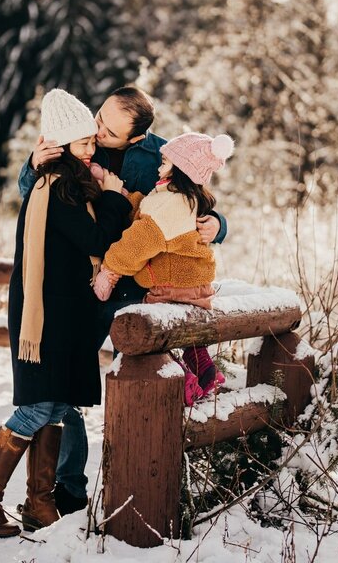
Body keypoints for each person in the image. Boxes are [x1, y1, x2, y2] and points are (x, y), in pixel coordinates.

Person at [16, 85, 230, 515]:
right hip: (83, 281)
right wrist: (31, 164)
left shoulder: (158, 158)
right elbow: (33, 192)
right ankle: (67, 489)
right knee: (69, 387)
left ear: (134, 138)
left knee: (140, 383)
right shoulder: (74, 140)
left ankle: (140, 489)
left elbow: (189, 202)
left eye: (108, 131)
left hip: (132, 287)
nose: (96, 131)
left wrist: (217, 224)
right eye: (97, 118)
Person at [0, 89, 131, 539]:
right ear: (61, 147)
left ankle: (40, 503)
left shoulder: (72, 185)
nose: (91, 148)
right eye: (82, 143)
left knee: (57, 405)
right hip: (44, 315)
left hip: (65, 312)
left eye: (91, 141)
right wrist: (117, 198)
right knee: (37, 406)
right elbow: (97, 240)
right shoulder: (56, 188)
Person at [92, 132, 234, 404]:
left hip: (170, 286)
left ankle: (185, 383)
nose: (160, 166)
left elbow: (137, 243)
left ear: (180, 170)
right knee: (188, 337)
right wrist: (123, 194)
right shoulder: (180, 198)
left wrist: (110, 271)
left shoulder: (169, 202)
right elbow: (146, 212)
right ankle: (205, 372)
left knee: (160, 338)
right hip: (192, 285)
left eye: (166, 162)